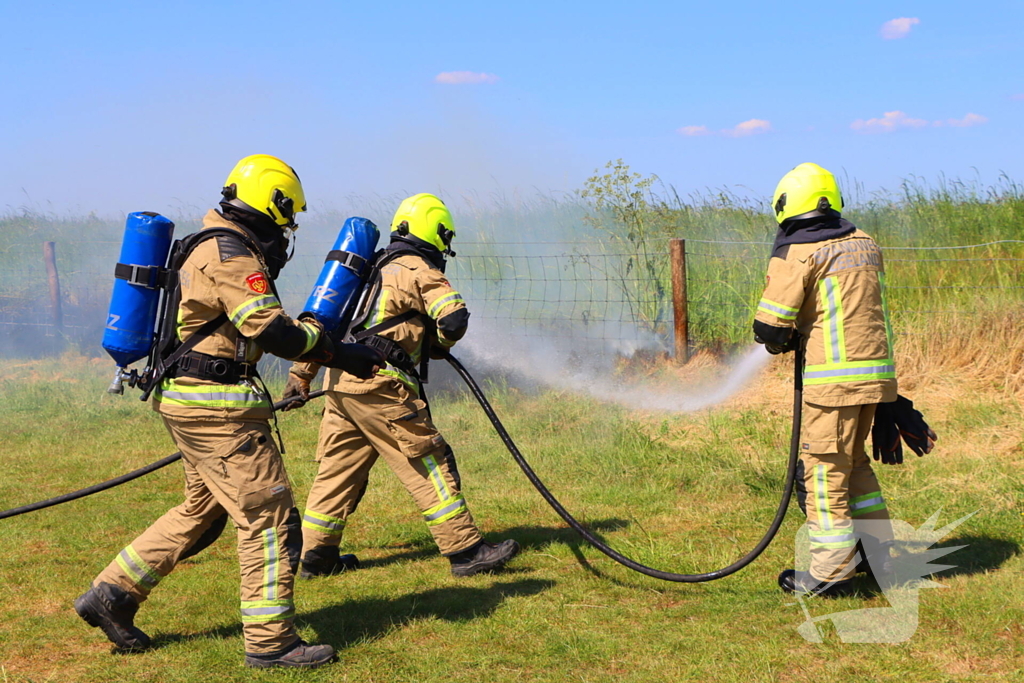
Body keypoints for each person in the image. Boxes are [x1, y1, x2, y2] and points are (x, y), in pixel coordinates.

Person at [75, 154, 380, 668]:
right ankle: (271, 642)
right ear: (270, 204)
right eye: (287, 218)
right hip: (219, 409)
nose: (288, 230)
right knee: (270, 516)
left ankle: (113, 594)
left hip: (191, 399)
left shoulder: (208, 243)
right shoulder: (228, 252)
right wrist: (338, 352)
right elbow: (271, 330)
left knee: (203, 509)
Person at [283, 193, 520, 579]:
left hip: (339, 384)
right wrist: (440, 344)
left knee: (337, 472)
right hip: (380, 384)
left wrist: (299, 375)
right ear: (438, 233)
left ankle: (315, 558)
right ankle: (466, 550)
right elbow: (454, 318)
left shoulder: (365, 270)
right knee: (427, 461)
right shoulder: (417, 267)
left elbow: (327, 322)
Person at [753, 162, 916, 597]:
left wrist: (781, 336)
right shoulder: (864, 243)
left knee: (823, 474)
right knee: (855, 464)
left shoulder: (800, 252)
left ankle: (830, 573)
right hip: (874, 379)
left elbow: (769, 327)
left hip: (833, 384)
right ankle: (877, 556)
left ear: (786, 205)